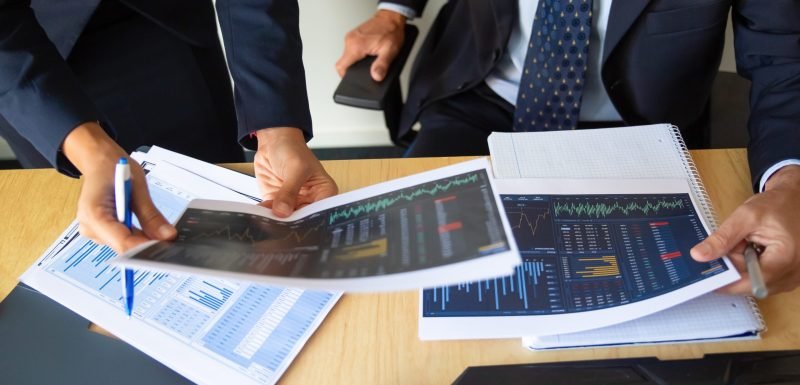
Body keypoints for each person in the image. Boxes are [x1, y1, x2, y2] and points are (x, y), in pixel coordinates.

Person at [337, 0, 800, 295]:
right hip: (481, 96)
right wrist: (393, 11)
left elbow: (784, 59)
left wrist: (790, 183)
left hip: (640, 123)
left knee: (637, 292)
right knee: (407, 267)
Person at [0, 0, 338, 253]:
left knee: (220, 228)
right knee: (82, 231)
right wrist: (91, 152)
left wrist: (276, 127)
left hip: (164, 20)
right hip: (26, 59)